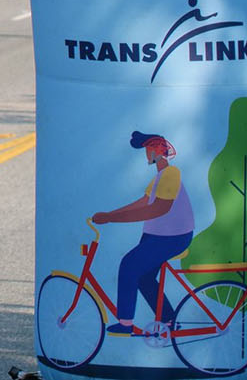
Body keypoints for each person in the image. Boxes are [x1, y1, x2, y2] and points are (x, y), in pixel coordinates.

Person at [92, 131, 195, 344]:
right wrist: (110, 215)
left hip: (172, 237)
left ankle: (125, 324)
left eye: (148, 150)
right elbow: (143, 202)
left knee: (129, 266)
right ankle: (168, 320)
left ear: (157, 150)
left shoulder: (171, 174)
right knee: (144, 277)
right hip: (158, 235)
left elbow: (157, 210)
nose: (146, 155)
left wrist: (113, 219)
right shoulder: (160, 176)